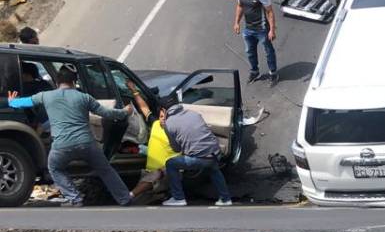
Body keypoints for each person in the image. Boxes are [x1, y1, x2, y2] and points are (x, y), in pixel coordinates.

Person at [5, 67, 133, 207]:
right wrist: (125, 112)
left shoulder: (45, 96)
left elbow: (25, 102)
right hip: (87, 144)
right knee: (106, 170)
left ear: (58, 81)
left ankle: (75, 198)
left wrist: (12, 101)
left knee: (54, 167)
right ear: (74, 81)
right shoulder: (84, 97)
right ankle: (124, 198)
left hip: (61, 147)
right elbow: (107, 113)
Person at [158, 95, 232, 206]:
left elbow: (176, 148)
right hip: (215, 153)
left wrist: (165, 128)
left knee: (171, 164)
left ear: (164, 110)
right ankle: (226, 199)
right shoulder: (194, 114)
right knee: (213, 168)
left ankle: (178, 198)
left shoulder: (169, 124)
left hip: (199, 159)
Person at [124, 80, 177, 202]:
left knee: (157, 174)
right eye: (162, 114)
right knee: (138, 204)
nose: (163, 117)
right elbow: (144, 108)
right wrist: (134, 90)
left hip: (166, 173)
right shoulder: (155, 124)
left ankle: (130, 195)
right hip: (148, 174)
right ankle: (156, 196)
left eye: (166, 114)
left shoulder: (177, 128)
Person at [233, 0, 278, 84]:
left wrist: (272, 30)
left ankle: (273, 72)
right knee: (249, 51)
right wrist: (237, 23)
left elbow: (270, 12)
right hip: (248, 29)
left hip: (262, 29)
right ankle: (254, 71)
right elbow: (240, 6)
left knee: (268, 51)